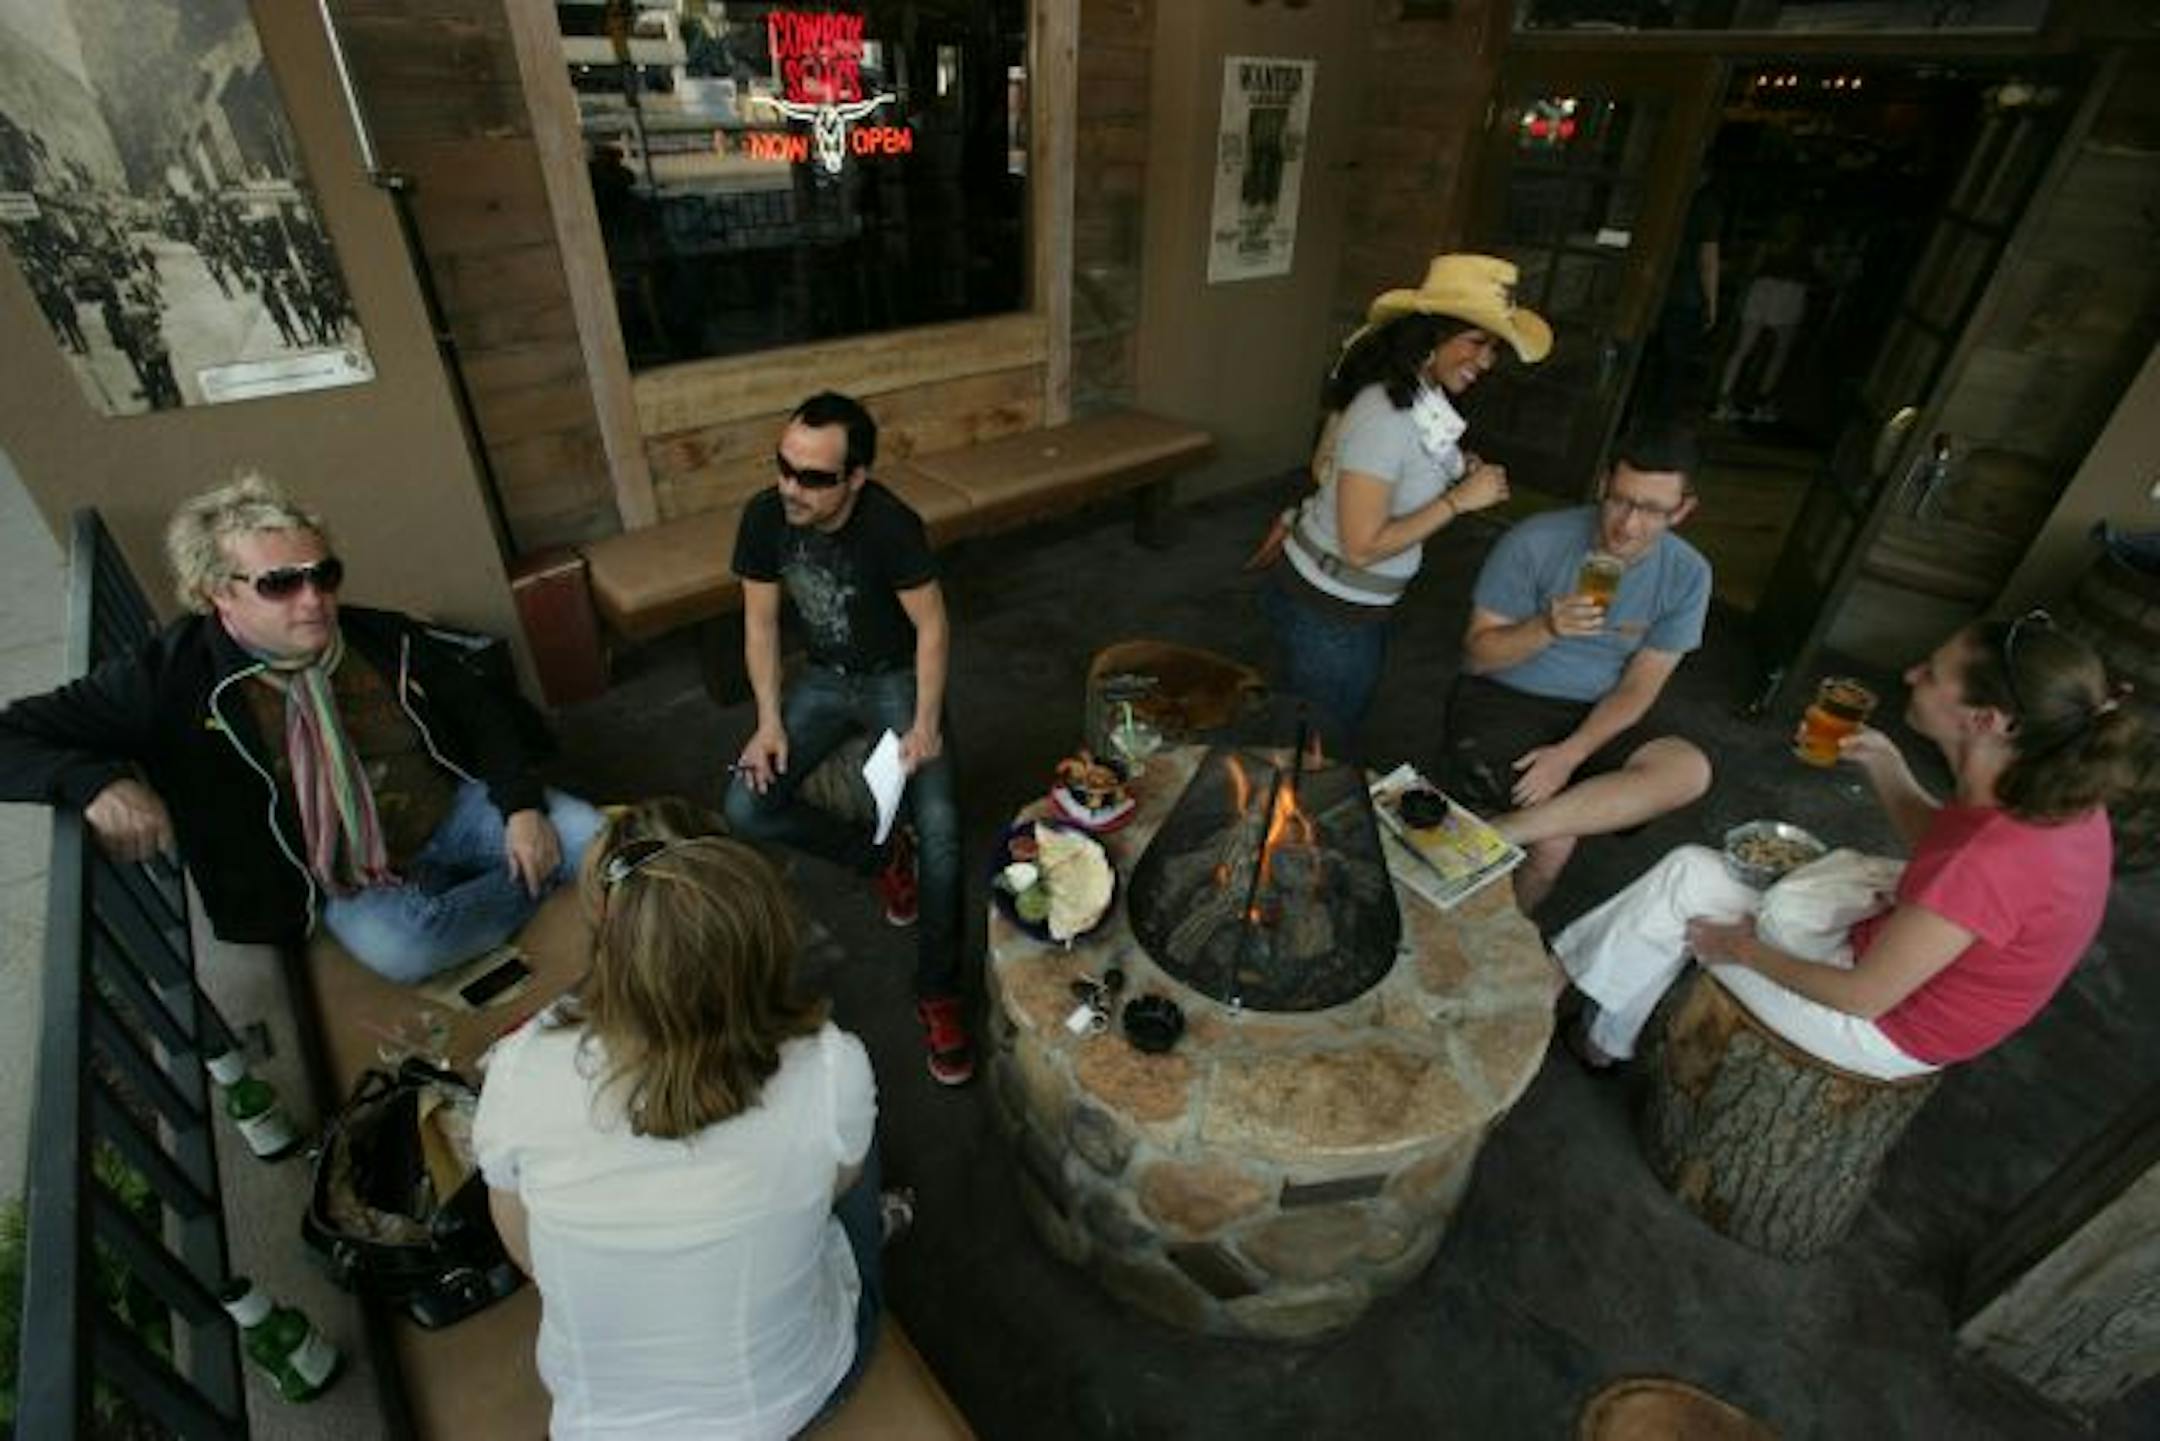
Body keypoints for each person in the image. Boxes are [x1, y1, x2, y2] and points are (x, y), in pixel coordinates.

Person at [0, 475, 600, 981]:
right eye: (280, 583)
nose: (313, 599)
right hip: (341, 874)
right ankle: (528, 884)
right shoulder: (166, 680)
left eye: (324, 574)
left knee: (596, 838)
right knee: (408, 949)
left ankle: (514, 875)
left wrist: (521, 809)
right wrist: (94, 783)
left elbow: (479, 710)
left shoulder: (379, 637)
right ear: (217, 594)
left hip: (448, 809)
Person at [1551, 614, 2143, 1076]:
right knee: (1687, 872)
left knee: (1689, 909)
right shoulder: (2045, 784)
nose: (1911, 674)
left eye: (1933, 673)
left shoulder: (1989, 858)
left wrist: (1741, 948)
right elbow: (1945, 855)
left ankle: (1563, 1004)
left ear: (1987, 720)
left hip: (1887, 1029)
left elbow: (1863, 996)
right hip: (1894, 955)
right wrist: (1886, 766)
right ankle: (1597, 1035)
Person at [474, 806, 895, 1439]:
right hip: (789, 1400)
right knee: (852, 1164)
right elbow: (835, 1186)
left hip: (599, 1422)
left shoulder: (520, 1065)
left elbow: (524, 1247)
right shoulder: (832, 1064)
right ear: (760, 929)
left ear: (607, 931)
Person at [722, 391, 972, 1085]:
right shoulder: (765, 515)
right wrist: (768, 721)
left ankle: (938, 989)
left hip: (895, 678)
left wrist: (924, 723)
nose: (791, 487)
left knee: (946, 836)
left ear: (855, 476)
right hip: (825, 678)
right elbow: (762, 626)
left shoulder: (891, 525)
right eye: (784, 466)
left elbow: (932, 626)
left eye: (814, 477)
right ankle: (878, 856)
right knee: (746, 806)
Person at [1259, 253, 1552, 753]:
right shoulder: (1386, 416)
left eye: (1494, 347)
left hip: (1353, 609)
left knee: (1312, 737)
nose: (1487, 361)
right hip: (1329, 611)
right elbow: (1362, 547)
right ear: (1431, 337)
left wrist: (1462, 468)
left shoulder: (1422, 398)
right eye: (1477, 342)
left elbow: (1420, 456)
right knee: (1316, 752)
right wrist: (1459, 501)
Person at [1443, 424, 1714, 914]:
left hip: (1596, 709)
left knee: (1688, 770)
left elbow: (1638, 687)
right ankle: (1502, 933)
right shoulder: (1535, 541)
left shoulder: (1689, 574)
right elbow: (1477, 656)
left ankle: (1502, 832)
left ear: (1683, 510)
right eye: (1620, 501)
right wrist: (1545, 627)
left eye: (1652, 510)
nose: (1627, 525)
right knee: (1557, 840)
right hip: (1507, 694)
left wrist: (1570, 754)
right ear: (1602, 486)